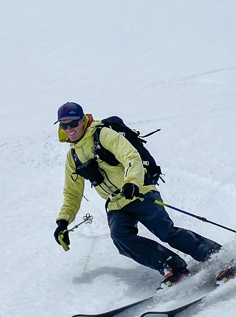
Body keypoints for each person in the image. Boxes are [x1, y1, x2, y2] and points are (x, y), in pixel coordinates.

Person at [53, 102, 222, 286]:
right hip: (115, 204)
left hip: (139, 192)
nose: (69, 129)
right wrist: (63, 221)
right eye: (64, 125)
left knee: (166, 232)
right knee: (121, 237)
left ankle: (219, 257)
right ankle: (172, 266)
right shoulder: (73, 157)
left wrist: (132, 182)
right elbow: (72, 193)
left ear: (83, 120)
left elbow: (130, 156)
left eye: (73, 123)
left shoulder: (103, 135)